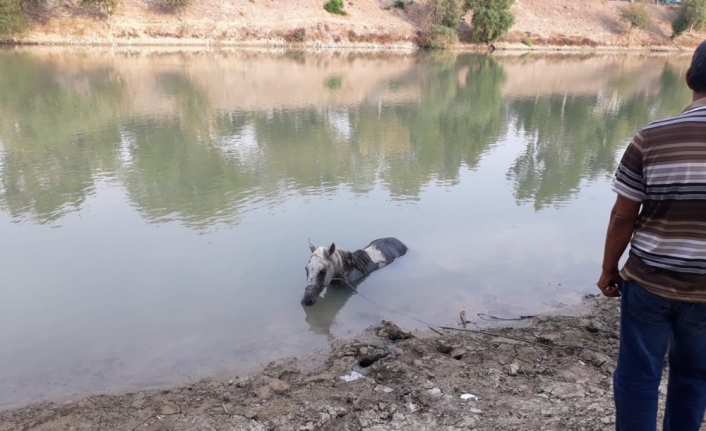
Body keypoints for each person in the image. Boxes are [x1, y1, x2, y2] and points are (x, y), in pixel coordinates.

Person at [598, 40, 706, 431]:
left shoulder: (652, 136)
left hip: (649, 282)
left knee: (638, 375)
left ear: (689, 76)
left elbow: (623, 215)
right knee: (694, 376)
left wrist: (609, 269)